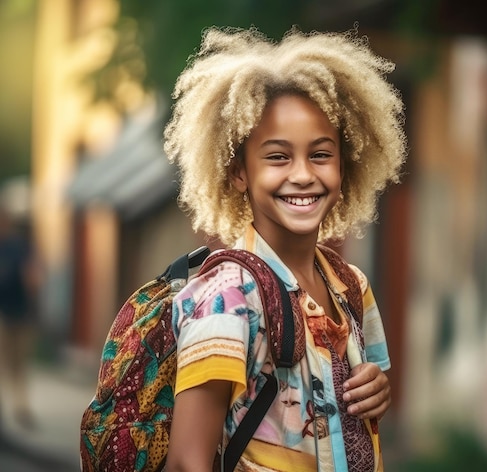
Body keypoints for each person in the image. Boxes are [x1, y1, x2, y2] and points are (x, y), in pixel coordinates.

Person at [163, 26, 407, 472]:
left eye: (320, 154)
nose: (302, 175)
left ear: (344, 166)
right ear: (239, 173)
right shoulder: (227, 299)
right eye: (277, 157)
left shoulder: (352, 287)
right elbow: (185, 463)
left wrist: (378, 391)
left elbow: (348, 408)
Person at [0, 203, 38, 430]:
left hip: (20, 311)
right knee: (5, 362)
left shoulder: (19, 246)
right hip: (2, 313)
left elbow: (31, 274)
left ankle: (21, 406)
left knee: (19, 362)